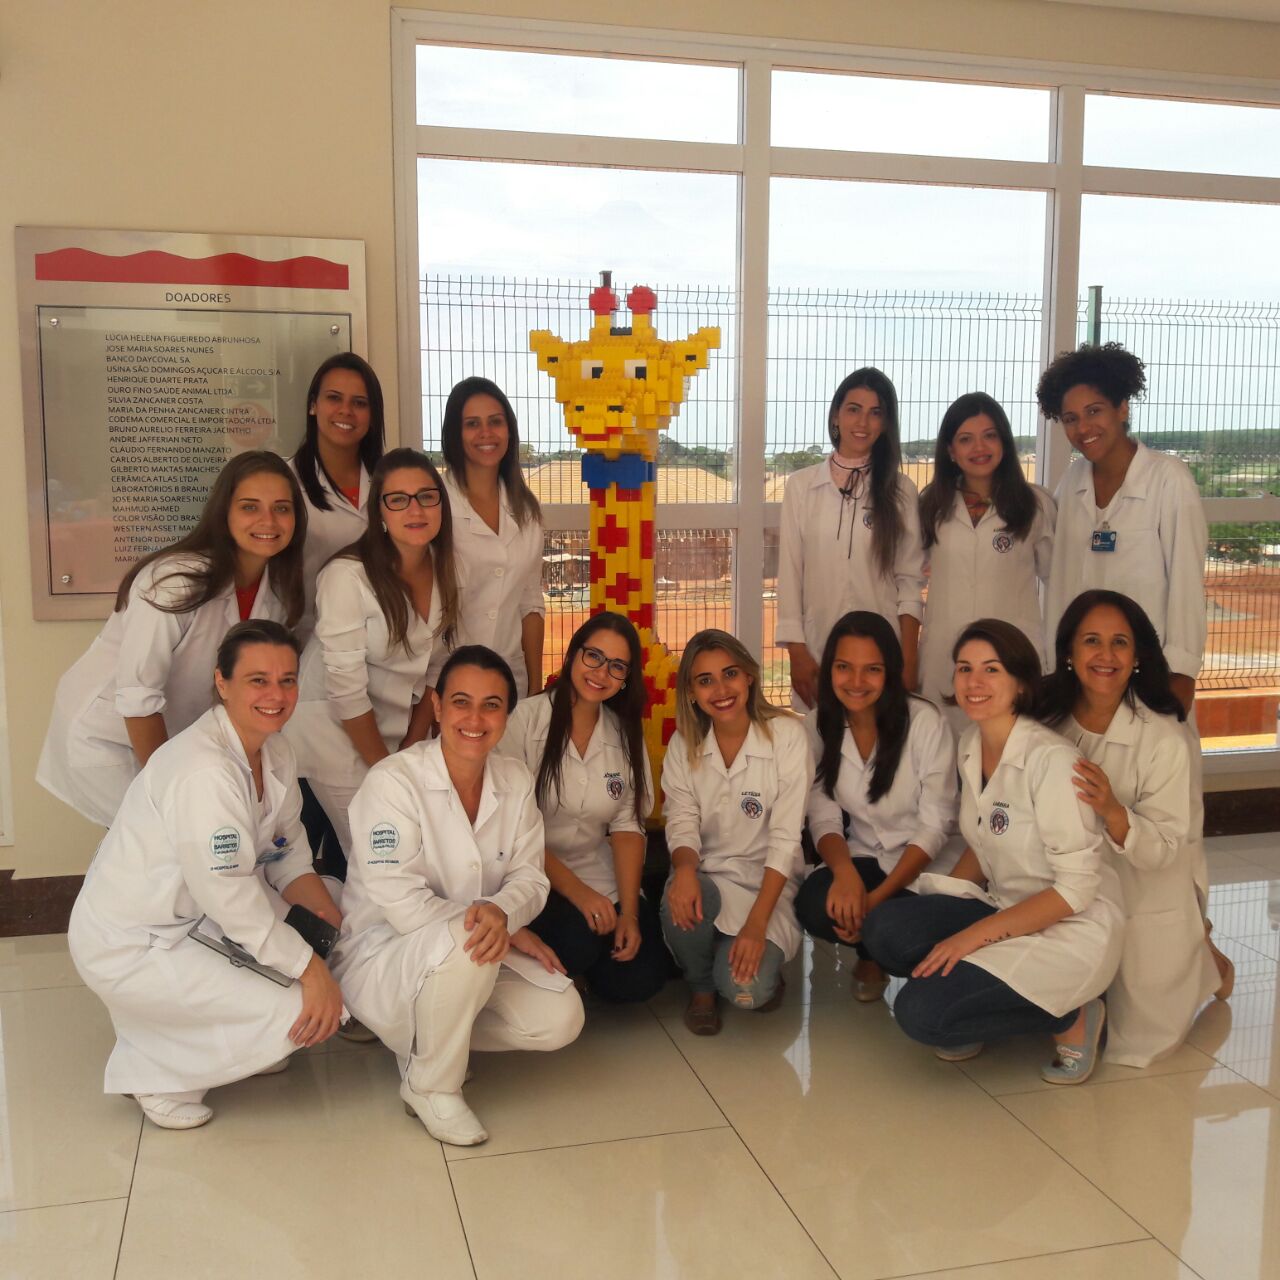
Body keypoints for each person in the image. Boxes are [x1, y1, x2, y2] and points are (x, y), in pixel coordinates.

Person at [66, 621, 345, 1131]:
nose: (276, 695)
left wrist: (326, 924)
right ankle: (154, 1075)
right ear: (222, 681)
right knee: (301, 1008)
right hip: (138, 942)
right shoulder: (203, 770)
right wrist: (311, 969)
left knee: (331, 921)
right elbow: (230, 898)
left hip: (197, 917)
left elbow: (288, 857)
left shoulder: (276, 751)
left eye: (287, 680)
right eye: (258, 680)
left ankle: (228, 1042)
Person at [333, 646, 584, 1147]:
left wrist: (504, 914)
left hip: (472, 951)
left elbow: (530, 878)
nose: (475, 719)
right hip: (386, 953)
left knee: (561, 1018)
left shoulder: (514, 779)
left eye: (492, 705)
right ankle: (431, 1086)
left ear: (506, 715)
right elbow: (400, 901)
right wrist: (497, 926)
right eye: (461, 702)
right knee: (468, 944)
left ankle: (426, 1045)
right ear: (438, 706)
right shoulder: (393, 782)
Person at [862, 619, 1124, 1084]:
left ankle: (1073, 1015)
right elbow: (983, 842)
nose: (974, 682)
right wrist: (939, 914)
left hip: (1067, 929)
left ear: (1021, 683)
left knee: (919, 1014)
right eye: (965, 668)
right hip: (1005, 908)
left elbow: (1076, 890)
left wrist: (967, 938)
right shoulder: (971, 743)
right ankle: (976, 1002)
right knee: (885, 930)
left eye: (991, 669)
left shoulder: (1053, 762)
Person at [38, 452, 305, 827]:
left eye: (282, 508)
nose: (268, 521)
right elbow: (138, 699)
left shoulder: (276, 593)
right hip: (109, 737)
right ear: (223, 513)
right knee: (158, 842)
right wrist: (171, 790)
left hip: (175, 734)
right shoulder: (173, 582)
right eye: (250, 507)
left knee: (184, 842)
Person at [1037, 590, 1225, 1066]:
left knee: (1134, 1039)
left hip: (1144, 887)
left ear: (1138, 656)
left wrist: (1114, 811)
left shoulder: (1165, 739)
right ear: (1068, 651)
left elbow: (1166, 847)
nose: (1105, 655)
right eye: (1091, 641)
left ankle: (1210, 962)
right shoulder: (1044, 724)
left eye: (1119, 642)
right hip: (1065, 886)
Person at [285, 448, 459, 859]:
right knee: (379, 852)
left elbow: (436, 667)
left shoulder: (445, 566)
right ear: (379, 510)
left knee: (400, 843)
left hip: (393, 729)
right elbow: (346, 692)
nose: (414, 509)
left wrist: (410, 750)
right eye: (397, 499)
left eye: (426, 496)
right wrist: (387, 771)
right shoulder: (347, 576)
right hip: (333, 731)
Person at [497, 612, 668, 1004]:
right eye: (594, 656)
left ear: (626, 678)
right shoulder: (524, 721)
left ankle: (577, 972)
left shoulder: (623, 733)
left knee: (640, 978)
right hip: (528, 870)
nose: (601, 673)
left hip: (595, 870)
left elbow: (627, 827)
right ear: (573, 654)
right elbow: (511, 830)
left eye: (617, 666)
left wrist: (628, 913)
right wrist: (579, 894)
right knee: (577, 941)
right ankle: (556, 966)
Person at [794, 611, 957, 1002]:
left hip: (928, 864)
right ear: (829, 670)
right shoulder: (817, 725)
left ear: (891, 672)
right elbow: (823, 815)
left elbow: (934, 827)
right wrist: (845, 874)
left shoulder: (925, 723)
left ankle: (884, 953)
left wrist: (873, 901)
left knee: (889, 928)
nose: (856, 681)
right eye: (844, 667)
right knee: (814, 904)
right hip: (867, 854)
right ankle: (874, 949)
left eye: (872, 669)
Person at [660, 629, 811, 1036]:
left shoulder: (787, 736)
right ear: (691, 692)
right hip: (708, 879)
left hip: (769, 884)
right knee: (680, 894)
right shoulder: (683, 745)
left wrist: (757, 926)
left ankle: (750, 965)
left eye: (730, 674)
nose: (721, 690)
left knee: (747, 990)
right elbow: (681, 821)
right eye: (705, 680)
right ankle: (701, 988)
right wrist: (685, 871)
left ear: (749, 676)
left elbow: (785, 839)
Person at [776, 367, 926, 708]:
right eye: (854, 409)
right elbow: (790, 574)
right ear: (835, 415)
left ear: (886, 423)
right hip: (818, 651)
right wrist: (797, 653)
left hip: (881, 655)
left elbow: (909, 581)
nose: (863, 422)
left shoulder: (901, 490)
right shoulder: (801, 487)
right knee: (822, 737)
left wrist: (907, 660)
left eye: (876, 413)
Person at [917, 392, 1055, 724]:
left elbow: (1058, 580)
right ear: (950, 451)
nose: (979, 447)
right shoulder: (930, 505)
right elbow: (908, 578)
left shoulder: (1035, 505)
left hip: (1013, 657)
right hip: (943, 658)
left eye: (989, 435)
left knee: (1010, 746)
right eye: (966, 439)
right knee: (945, 747)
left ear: (1004, 442)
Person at [428, 377, 545, 697]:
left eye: (495, 421)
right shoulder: (434, 503)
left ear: (509, 430)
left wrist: (535, 689)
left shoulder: (527, 510)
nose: (486, 433)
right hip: (442, 681)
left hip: (510, 681)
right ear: (455, 434)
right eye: (472, 424)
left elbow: (530, 602)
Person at [289, 353, 386, 644]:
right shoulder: (285, 481)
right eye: (334, 398)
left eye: (360, 403)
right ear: (313, 405)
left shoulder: (389, 482)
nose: (346, 411)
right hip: (306, 641)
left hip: (379, 641)